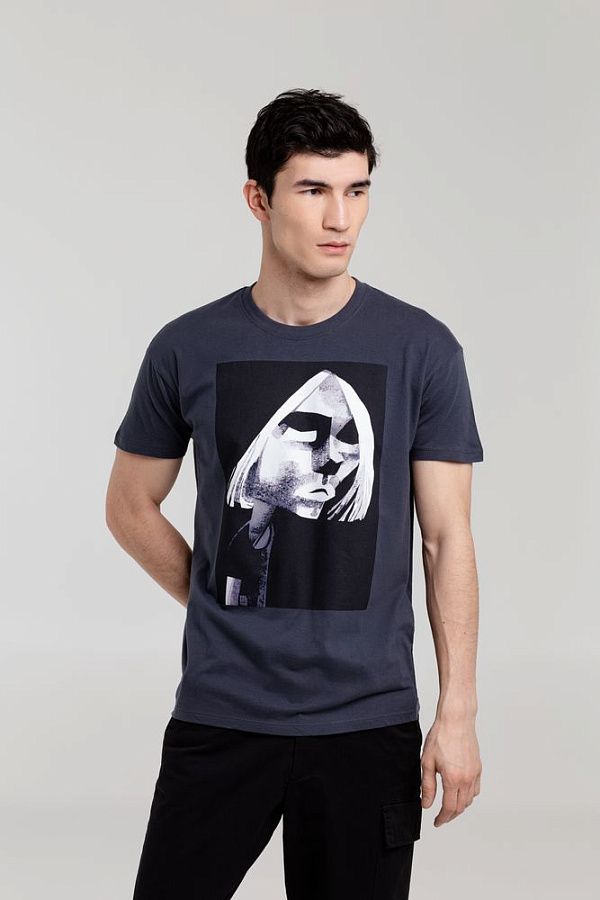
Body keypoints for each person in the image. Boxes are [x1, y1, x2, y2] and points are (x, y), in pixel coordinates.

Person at [106, 87, 484, 900]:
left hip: (368, 722)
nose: (340, 218)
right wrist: (219, 595)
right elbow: (129, 505)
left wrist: (458, 712)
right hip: (222, 712)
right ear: (259, 199)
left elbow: (446, 538)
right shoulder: (187, 346)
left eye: (357, 190)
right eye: (313, 190)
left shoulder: (422, 349)